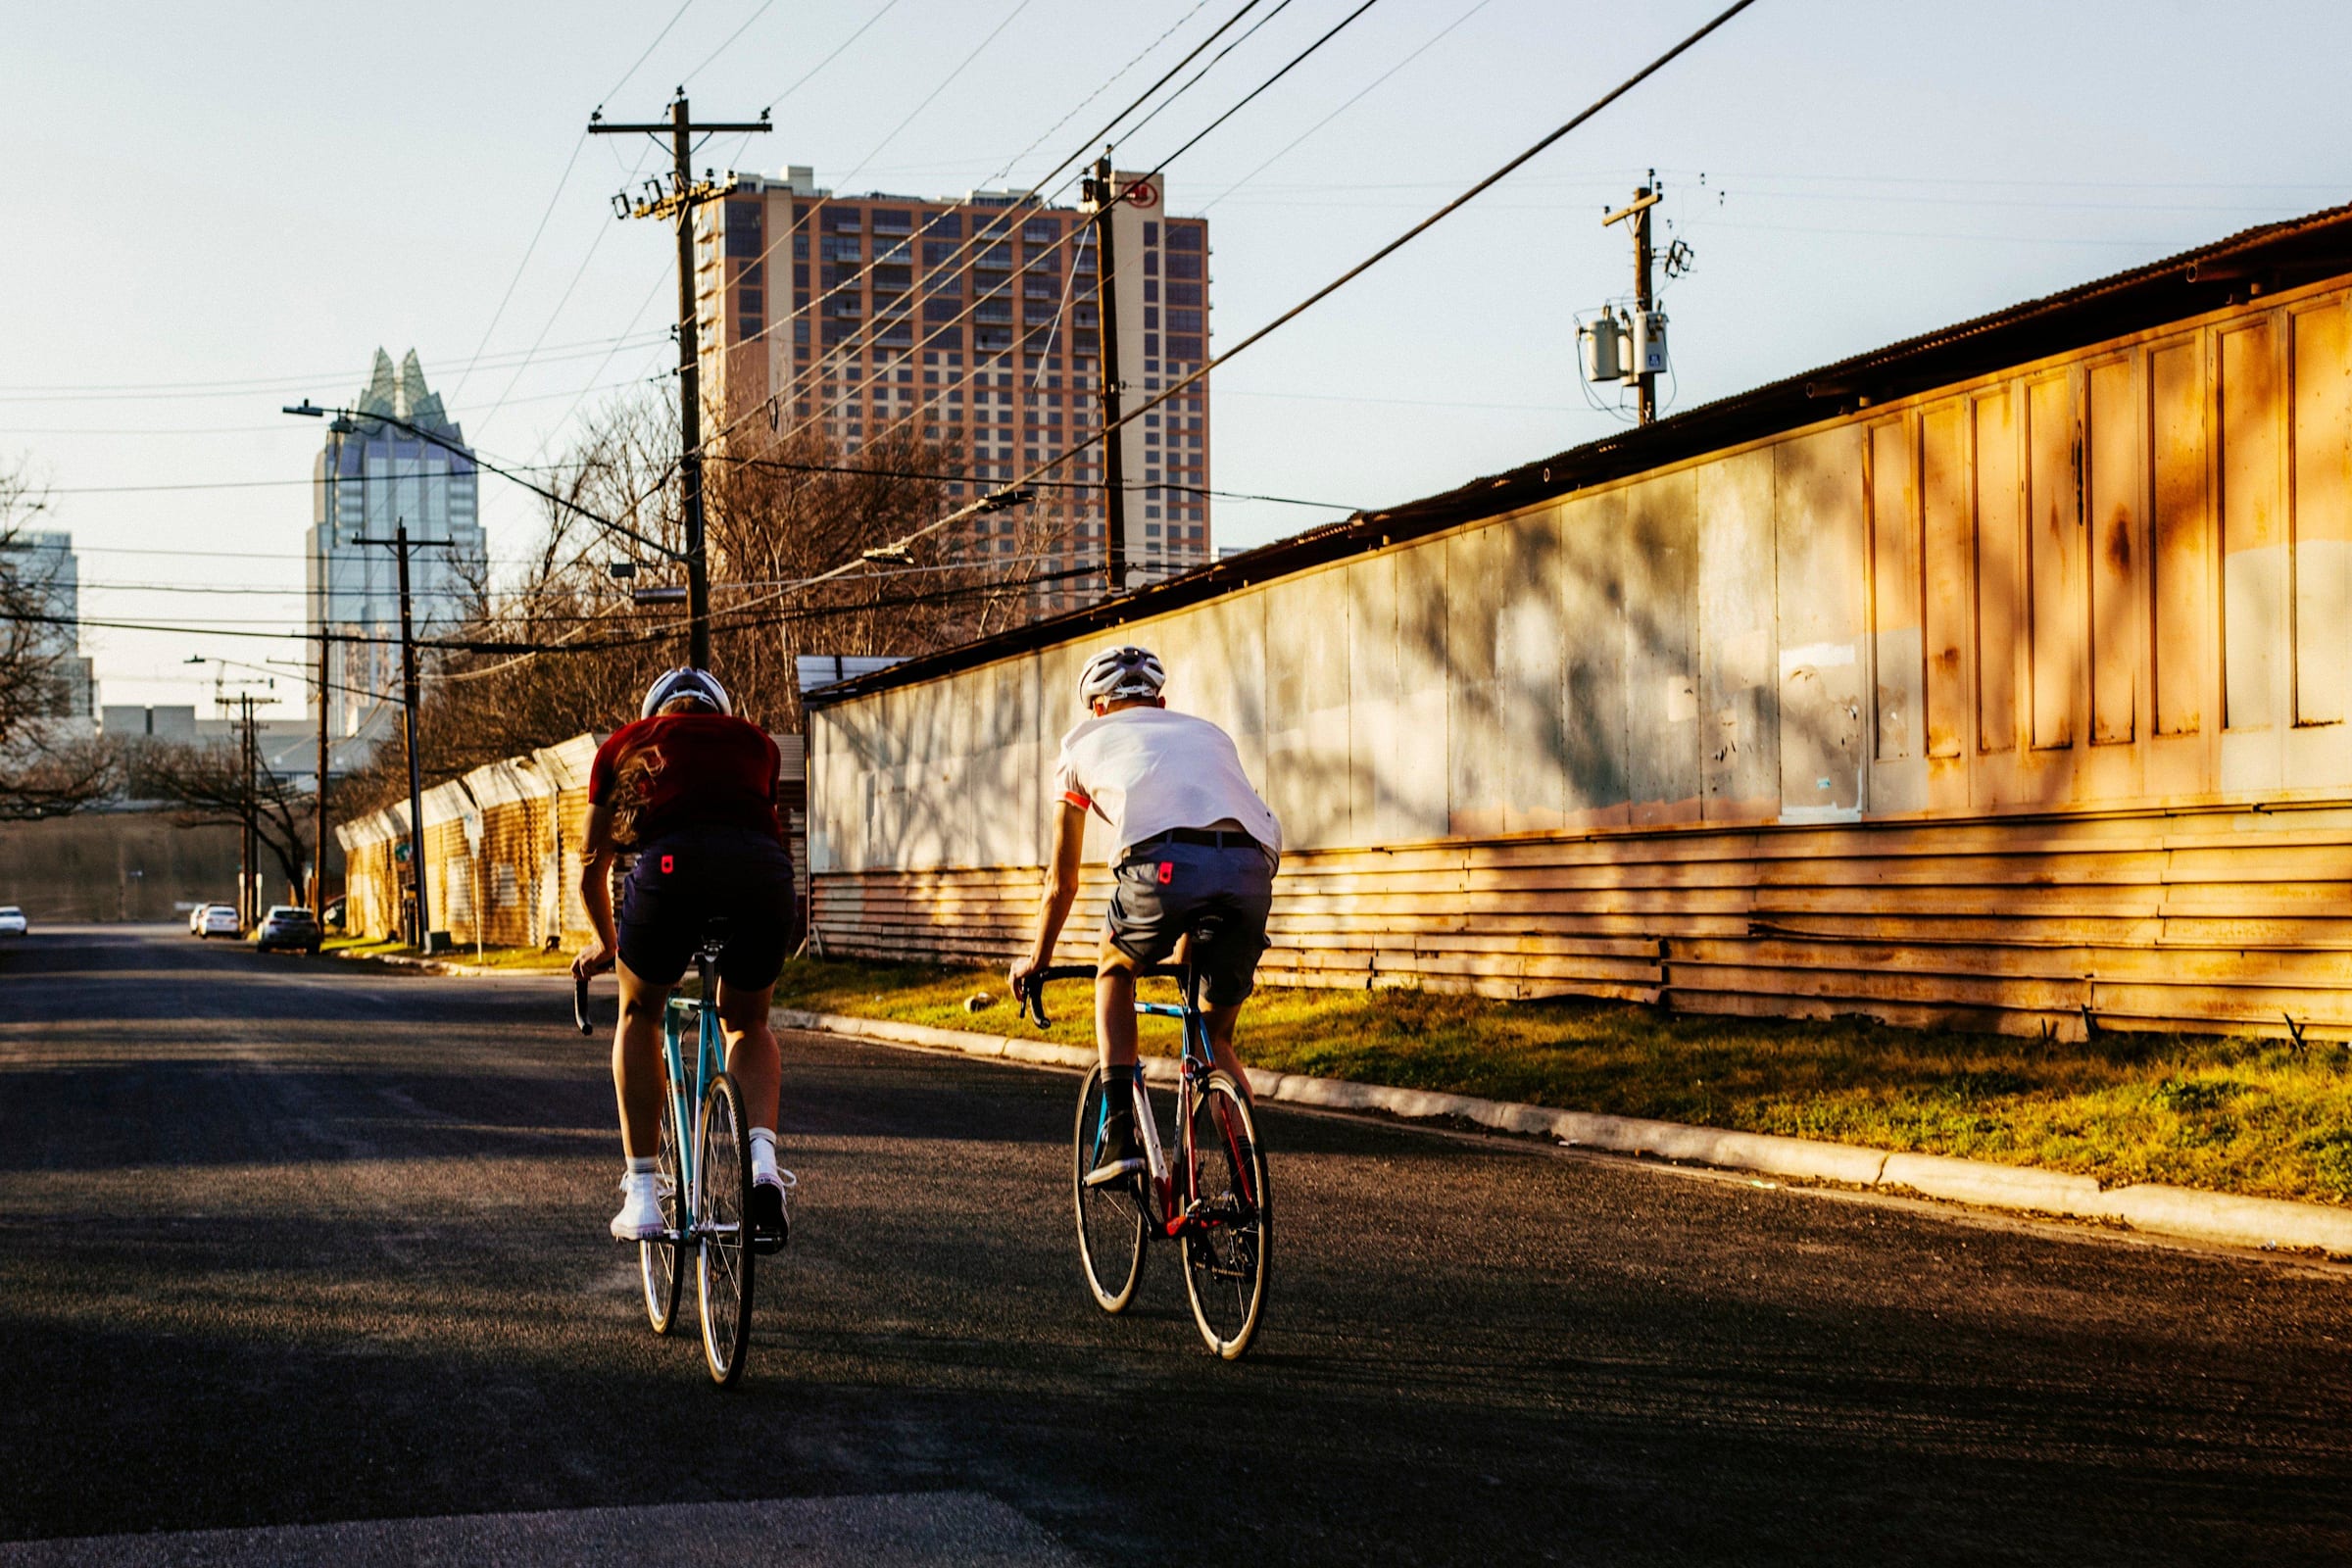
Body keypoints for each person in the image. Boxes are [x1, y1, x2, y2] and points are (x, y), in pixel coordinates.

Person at [1008, 645, 1283, 1185]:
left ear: (1097, 708)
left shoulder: (1079, 745)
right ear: (1159, 702)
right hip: (1253, 869)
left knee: (1113, 969)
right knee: (1214, 1037)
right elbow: (1223, 827)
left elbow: (1061, 883)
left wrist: (1037, 960)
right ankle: (1251, 1192)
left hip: (1163, 868)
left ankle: (1118, 1138)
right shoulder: (1209, 732)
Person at [573, 667, 794, 1244]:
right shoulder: (758, 743)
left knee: (640, 1013)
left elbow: (591, 867)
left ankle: (644, 1192)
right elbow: (756, 827)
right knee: (749, 1024)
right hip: (763, 878)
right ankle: (764, 1169)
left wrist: (610, 945)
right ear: (719, 709)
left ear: (656, 711)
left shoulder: (626, 745)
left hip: (671, 873)